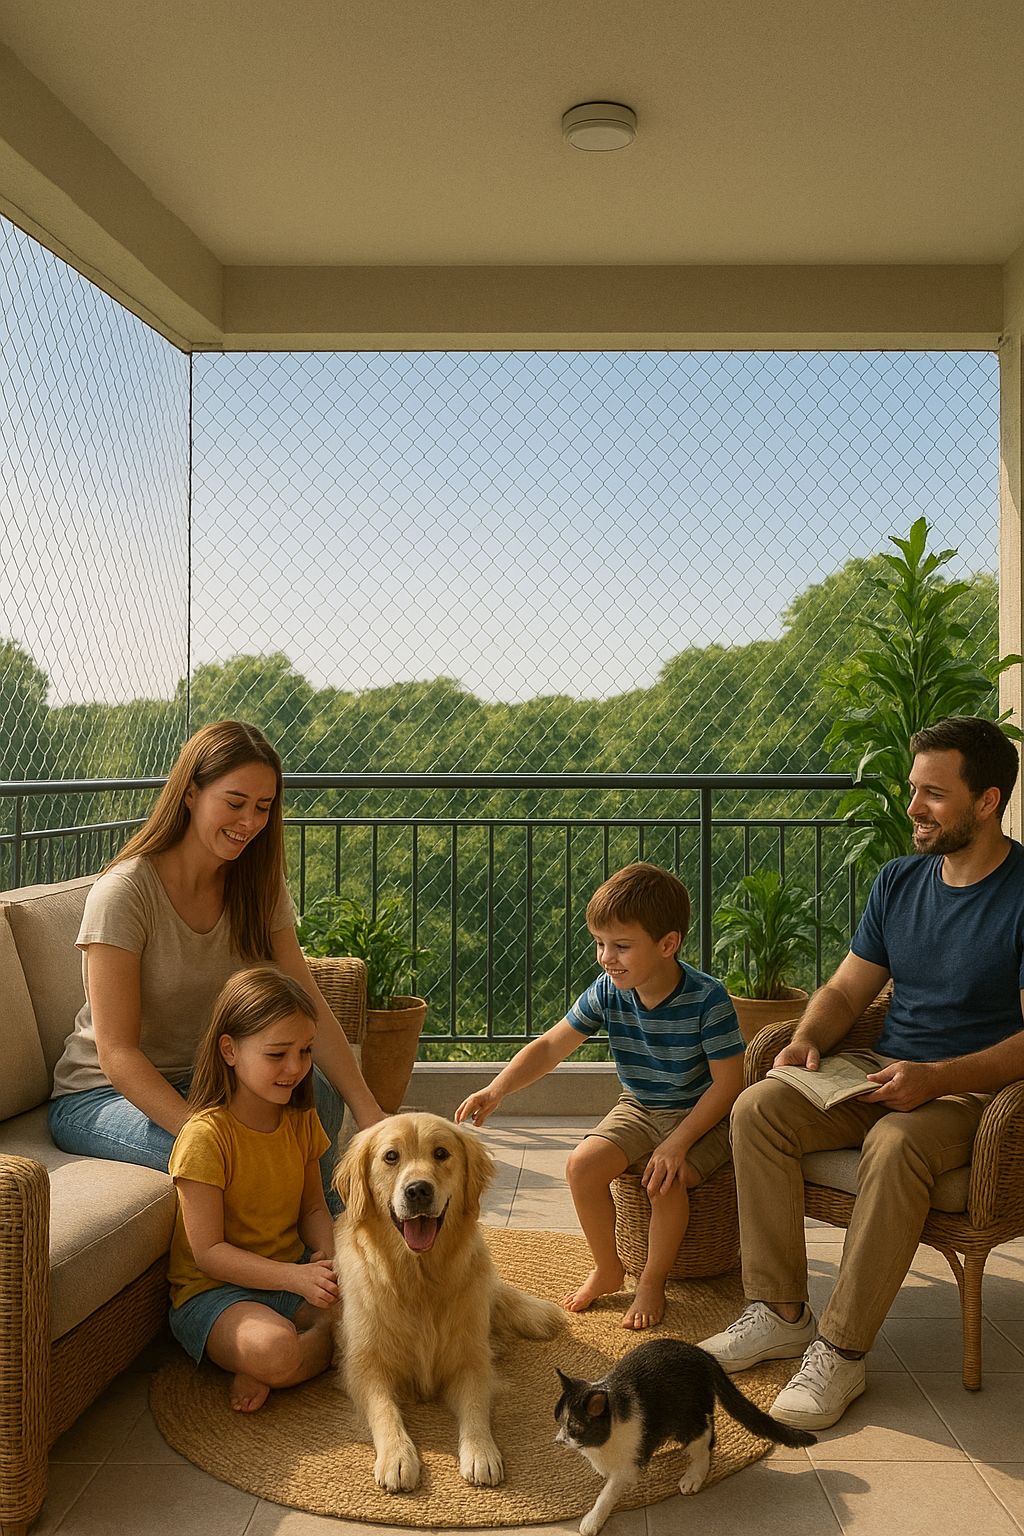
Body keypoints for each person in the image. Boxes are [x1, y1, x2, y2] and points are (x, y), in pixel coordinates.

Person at [700, 716, 1024, 1431]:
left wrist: (935, 1079)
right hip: (878, 1072)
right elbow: (848, 991)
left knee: (896, 1143)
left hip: (973, 1093)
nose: (913, 807)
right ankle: (780, 1312)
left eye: (933, 793)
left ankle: (842, 1352)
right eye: (913, 789)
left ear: (987, 801)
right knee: (758, 1108)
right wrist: (806, 1040)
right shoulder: (900, 881)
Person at [48, 719, 383, 1197]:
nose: (249, 822)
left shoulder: (258, 885)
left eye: (263, 807)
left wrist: (369, 1113)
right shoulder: (125, 893)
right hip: (102, 1096)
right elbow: (117, 1054)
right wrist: (209, 1133)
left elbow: (306, 999)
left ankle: (327, 1231)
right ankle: (312, 1239)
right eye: (235, 802)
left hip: (212, 1081)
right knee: (233, 1156)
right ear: (190, 793)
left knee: (318, 1094)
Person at [456, 862, 745, 1330]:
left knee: (665, 1181)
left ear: (667, 944)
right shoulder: (609, 991)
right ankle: (608, 1269)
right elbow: (551, 1046)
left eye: (621, 946)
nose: (606, 958)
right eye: (599, 943)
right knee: (580, 1166)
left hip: (703, 1113)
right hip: (639, 1105)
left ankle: (651, 1281)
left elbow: (730, 1085)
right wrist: (496, 1089)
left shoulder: (708, 999)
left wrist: (677, 1143)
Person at [167, 966, 338, 1411]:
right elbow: (209, 1254)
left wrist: (329, 1259)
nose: (295, 1068)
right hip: (215, 1292)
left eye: (305, 1051)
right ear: (229, 1050)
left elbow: (314, 1210)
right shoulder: (205, 1137)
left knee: (373, 1315)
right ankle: (282, 1361)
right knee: (274, 1348)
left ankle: (285, 1363)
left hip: (289, 1275)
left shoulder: (301, 1119)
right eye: (278, 1054)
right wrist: (294, 1278)